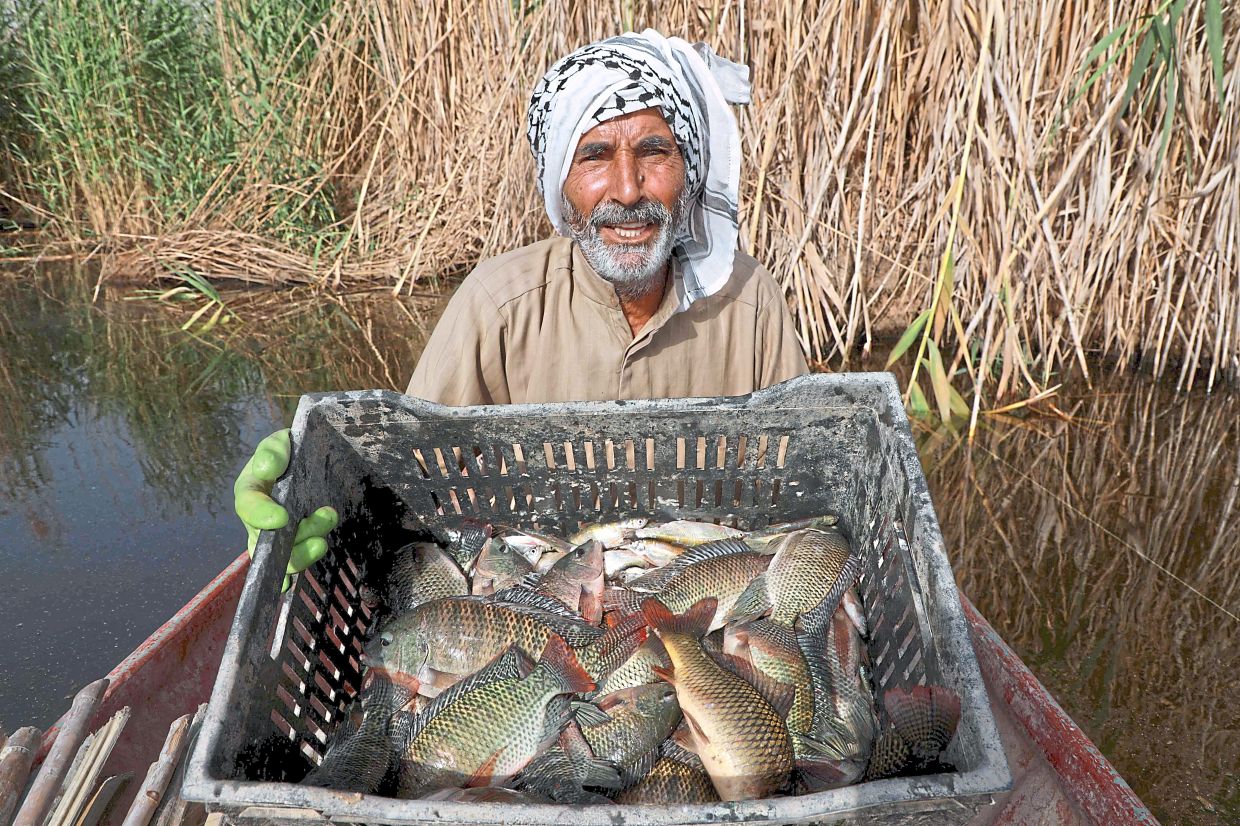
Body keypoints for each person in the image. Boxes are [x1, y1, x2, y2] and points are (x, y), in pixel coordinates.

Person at [234, 30, 808, 587]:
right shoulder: (498, 306)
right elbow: (406, 482)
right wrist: (317, 487)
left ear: (688, 171)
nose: (628, 189)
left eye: (654, 152)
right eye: (596, 156)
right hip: (534, 594)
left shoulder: (749, 302)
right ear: (561, 182)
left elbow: (804, 492)